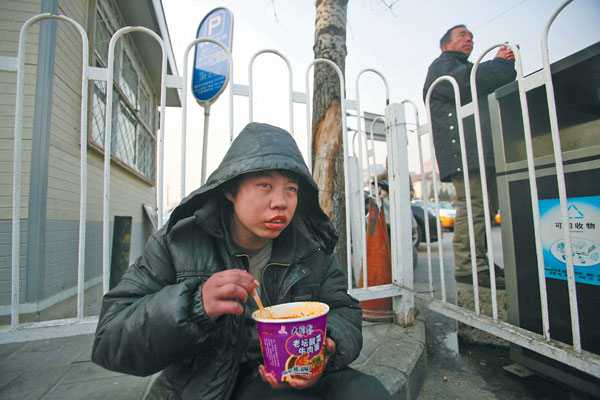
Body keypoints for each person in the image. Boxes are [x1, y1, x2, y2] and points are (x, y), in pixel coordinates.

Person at [91, 122, 391, 400]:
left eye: (291, 189)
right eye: (265, 185)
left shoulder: (311, 248)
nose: (281, 202)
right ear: (231, 190)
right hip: (206, 385)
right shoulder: (178, 243)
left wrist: (327, 348)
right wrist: (195, 306)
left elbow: (343, 311)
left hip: (292, 375)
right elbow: (110, 338)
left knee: (367, 393)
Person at [422, 25, 517, 289]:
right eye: (462, 35)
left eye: (471, 35)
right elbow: (470, 82)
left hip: (479, 150)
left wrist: (498, 66)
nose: (469, 38)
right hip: (462, 151)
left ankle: (480, 262)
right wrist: (499, 63)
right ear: (445, 46)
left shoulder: (467, 67)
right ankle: (468, 267)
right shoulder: (443, 67)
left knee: (487, 208)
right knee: (474, 206)